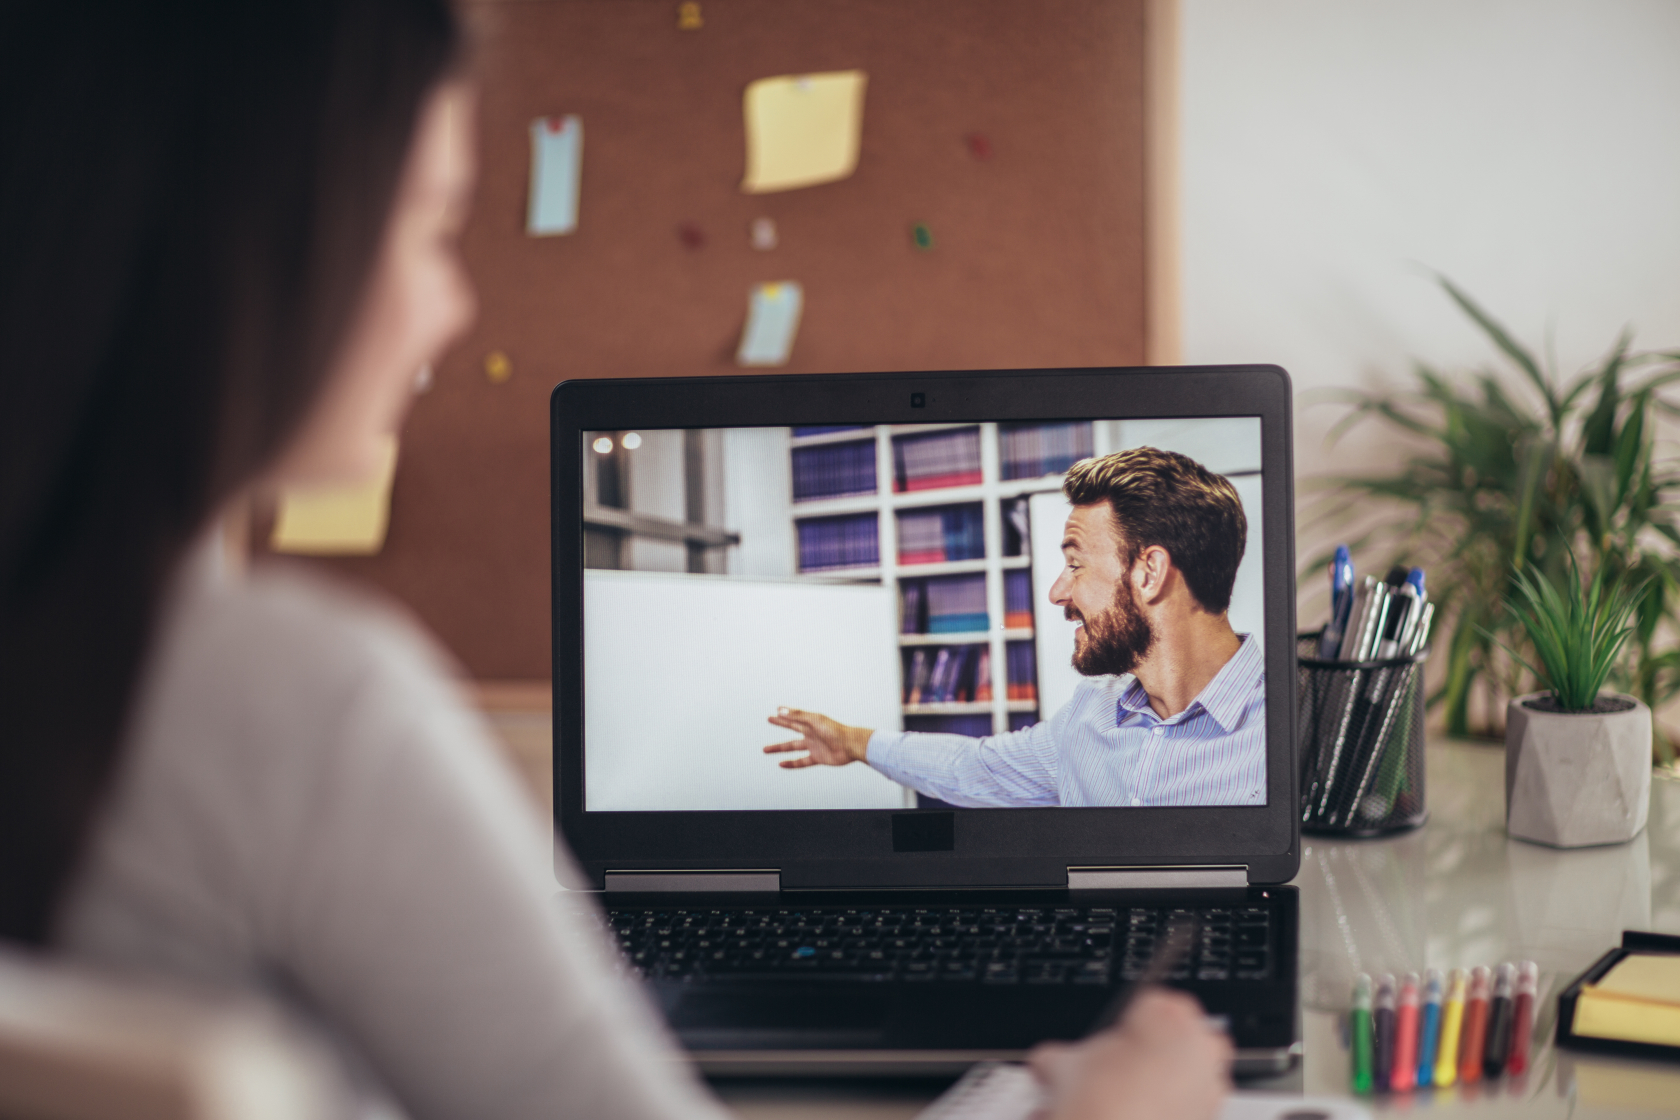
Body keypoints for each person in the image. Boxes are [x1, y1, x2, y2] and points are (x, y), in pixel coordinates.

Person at [0, 2, 1231, 1117]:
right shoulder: (302, 712)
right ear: (247, 245)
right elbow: (996, 767)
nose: (454, 308)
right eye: (427, 227)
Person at [767, 448, 1266, 807]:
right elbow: (976, 768)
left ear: (1149, 572)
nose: (1056, 593)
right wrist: (855, 743)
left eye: (1076, 565)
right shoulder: (1091, 715)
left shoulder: (1289, 729)